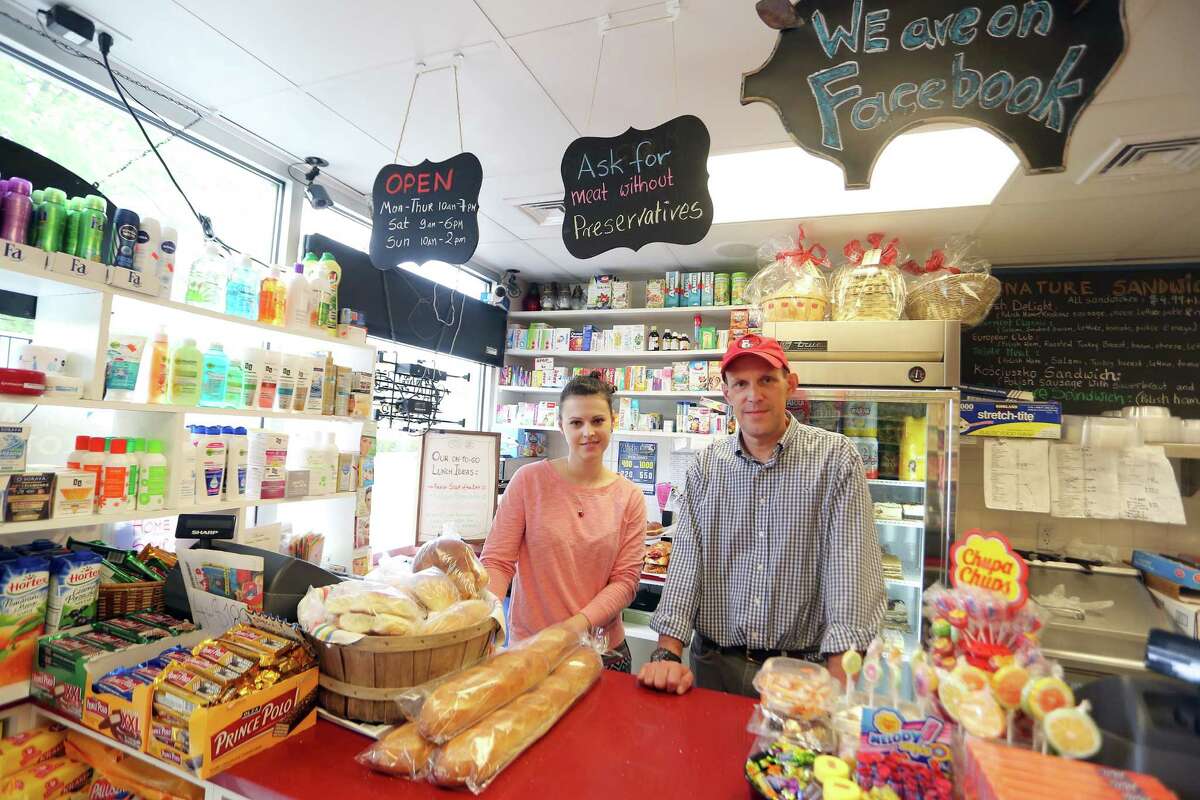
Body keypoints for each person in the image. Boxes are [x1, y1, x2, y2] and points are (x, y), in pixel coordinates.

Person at [638, 333, 885, 696]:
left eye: (767, 380)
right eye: (741, 383)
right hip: (714, 667)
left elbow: (850, 570)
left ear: (791, 385)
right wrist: (667, 653)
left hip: (802, 674)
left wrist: (839, 684)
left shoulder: (835, 459)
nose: (754, 395)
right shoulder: (706, 467)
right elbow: (688, 562)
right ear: (727, 395)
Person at [482, 372, 646, 671]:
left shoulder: (629, 497)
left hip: (603, 652)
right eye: (576, 423)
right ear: (561, 426)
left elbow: (625, 582)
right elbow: (497, 561)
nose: (588, 432)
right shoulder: (528, 482)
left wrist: (573, 628)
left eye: (598, 421)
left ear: (613, 421)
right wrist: (487, 623)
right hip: (532, 650)